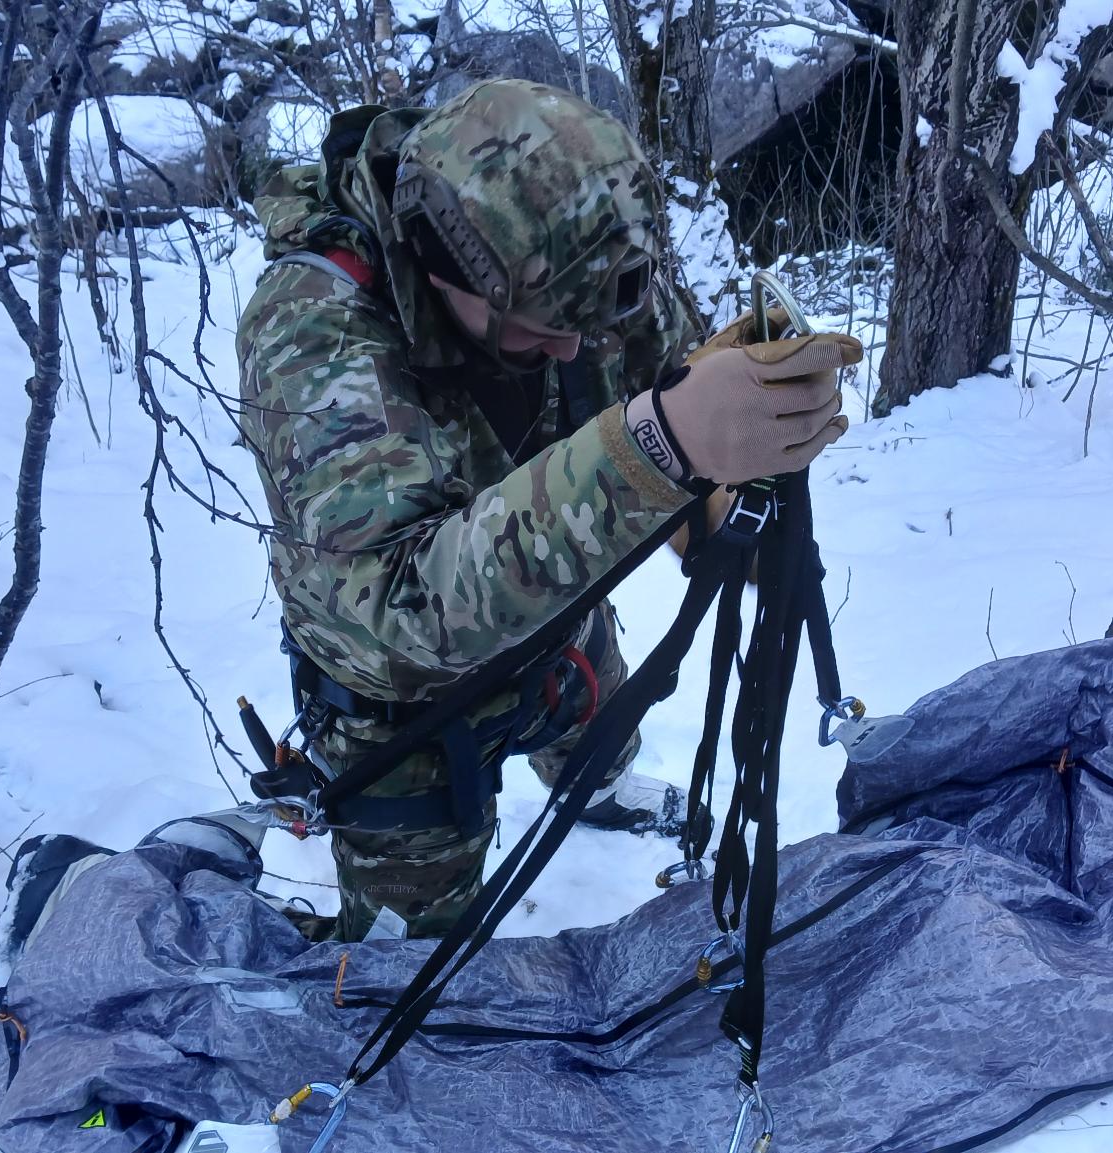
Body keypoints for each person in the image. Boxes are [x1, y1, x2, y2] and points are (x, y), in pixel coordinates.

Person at [236, 79, 861, 942]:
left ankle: (595, 785)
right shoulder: (313, 329)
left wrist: (720, 494)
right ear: (440, 260)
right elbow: (400, 609)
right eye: (535, 327)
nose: (570, 349)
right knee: (405, 967)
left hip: (557, 618)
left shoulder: (569, 248)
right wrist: (660, 445)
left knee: (599, 724)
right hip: (404, 704)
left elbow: (647, 376)